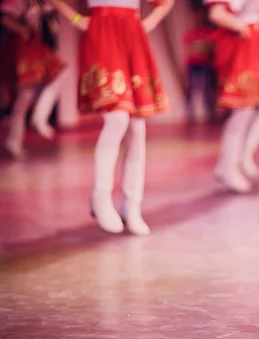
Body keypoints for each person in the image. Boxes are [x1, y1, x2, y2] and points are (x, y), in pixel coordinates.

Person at [48, 0, 173, 235]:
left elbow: (166, 3)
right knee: (118, 119)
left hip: (132, 34)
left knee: (137, 127)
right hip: (102, 33)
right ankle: (100, 195)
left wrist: (149, 22)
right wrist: (76, 19)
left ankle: (132, 204)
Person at [206, 0, 259, 194]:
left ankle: (244, 154)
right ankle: (229, 165)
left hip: (256, 38)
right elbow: (216, 13)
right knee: (243, 109)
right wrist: (240, 26)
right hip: (242, 40)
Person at [0, 0, 66, 159]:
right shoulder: (19, 2)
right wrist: (22, 29)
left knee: (59, 74)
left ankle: (38, 118)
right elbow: (4, 18)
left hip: (39, 47)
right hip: (27, 49)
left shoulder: (39, 2)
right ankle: (14, 140)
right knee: (25, 97)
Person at [182, 6, 218, 122]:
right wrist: (201, 47)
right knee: (191, 89)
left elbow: (209, 48)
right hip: (192, 64)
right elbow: (190, 48)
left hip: (205, 63)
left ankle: (210, 114)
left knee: (208, 89)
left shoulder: (208, 32)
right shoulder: (190, 33)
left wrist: (200, 48)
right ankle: (189, 114)